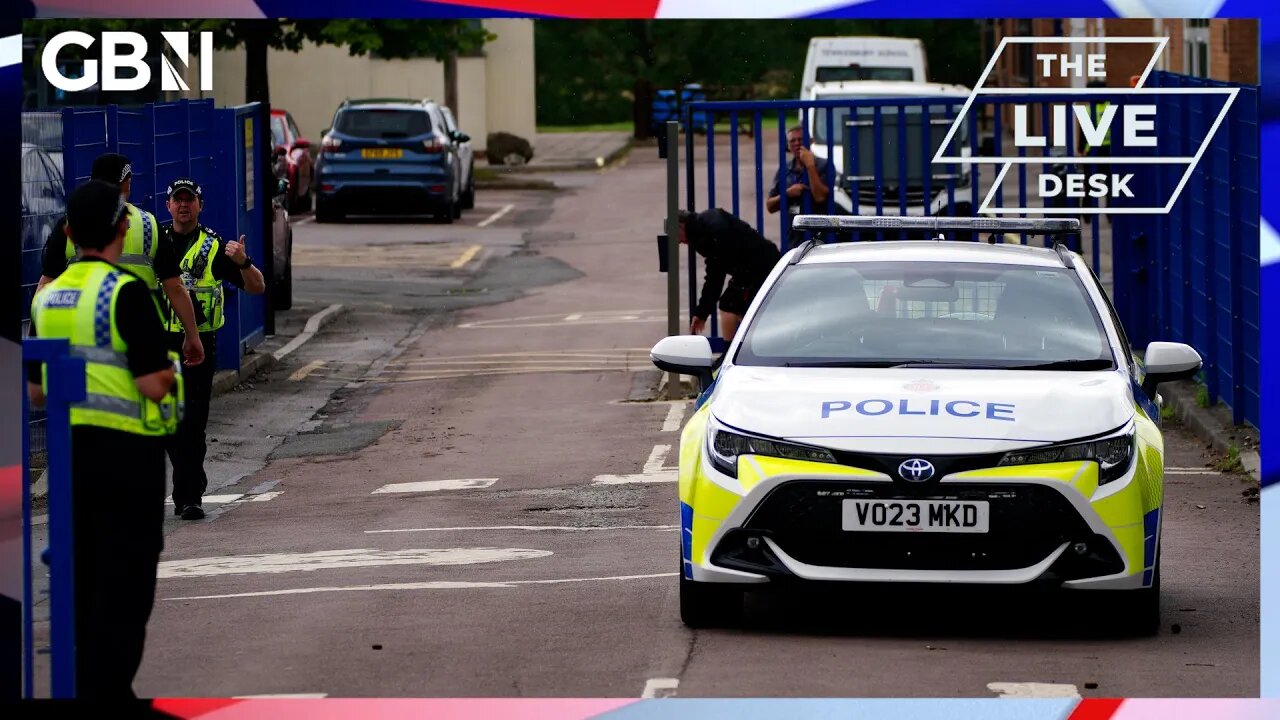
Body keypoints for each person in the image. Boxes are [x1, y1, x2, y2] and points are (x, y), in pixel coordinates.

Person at [27, 180, 182, 699]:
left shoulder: (47, 299)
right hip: (128, 457)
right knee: (129, 581)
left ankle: (89, 682)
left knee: (82, 578)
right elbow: (152, 382)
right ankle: (108, 690)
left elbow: (36, 391)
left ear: (69, 233)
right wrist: (175, 372)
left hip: (71, 458)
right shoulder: (124, 292)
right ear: (122, 228)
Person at [160, 177, 266, 520]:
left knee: (192, 423)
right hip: (160, 343)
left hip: (200, 346)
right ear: (169, 205)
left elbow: (258, 287)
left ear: (200, 206)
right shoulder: (155, 243)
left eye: (190, 200)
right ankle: (186, 486)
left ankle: (190, 497)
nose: (184, 205)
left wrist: (243, 261)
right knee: (168, 425)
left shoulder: (214, 247)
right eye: (178, 200)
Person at [39, 152, 205, 369]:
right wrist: (192, 336)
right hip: (142, 335)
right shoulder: (149, 225)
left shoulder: (70, 224)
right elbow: (174, 287)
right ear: (127, 184)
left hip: (82, 334)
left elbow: (46, 285)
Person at [678, 208, 782, 343]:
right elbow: (714, 272)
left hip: (761, 266)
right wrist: (702, 313)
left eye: (676, 236)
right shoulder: (701, 228)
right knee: (742, 308)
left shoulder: (707, 232)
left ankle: (731, 353)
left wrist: (702, 312)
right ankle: (745, 349)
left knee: (729, 305)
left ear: (681, 226)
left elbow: (715, 277)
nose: (678, 242)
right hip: (759, 264)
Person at [766, 126, 830, 243]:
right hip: (792, 238)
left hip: (819, 237)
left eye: (800, 140)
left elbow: (820, 197)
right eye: (792, 141)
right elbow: (770, 206)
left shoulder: (824, 165)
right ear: (788, 146)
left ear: (810, 142)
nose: (796, 143)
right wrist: (787, 194)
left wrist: (810, 166)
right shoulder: (785, 169)